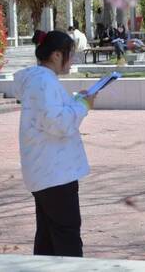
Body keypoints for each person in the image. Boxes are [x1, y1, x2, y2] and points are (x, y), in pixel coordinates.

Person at [13, 30, 96, 257]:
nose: (73, 60)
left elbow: (51, 114)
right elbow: (58, 123)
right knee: (66, 237)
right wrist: (83, 107)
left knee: (48, 238)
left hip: (47, 172)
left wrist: (76, 101)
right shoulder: (44, 82)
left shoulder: (40, 81)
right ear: (57, 55)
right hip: (55, 174)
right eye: (71, 54)